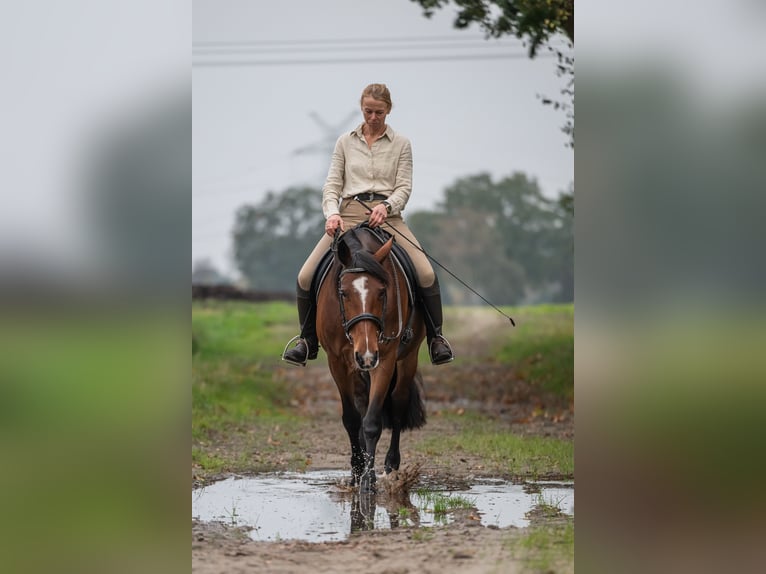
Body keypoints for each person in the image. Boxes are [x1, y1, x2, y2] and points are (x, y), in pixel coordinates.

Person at [282, 83, 454, 367]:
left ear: (388, 110)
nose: (373, 117)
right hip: (348, 214)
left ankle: (436, 338)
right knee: (305, 275)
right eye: (368, 111)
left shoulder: (401, 143)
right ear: (361, 109)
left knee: (425, 273)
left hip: (388, 216)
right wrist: (331, 213)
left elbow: (404, 187)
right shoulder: (344, 142)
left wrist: (386, 207)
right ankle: (307, 340)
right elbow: (332, 185)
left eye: (379, 112)